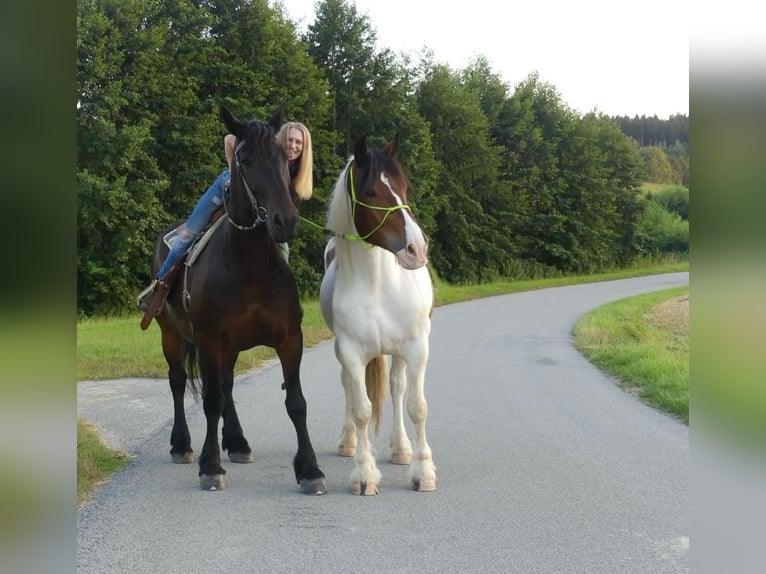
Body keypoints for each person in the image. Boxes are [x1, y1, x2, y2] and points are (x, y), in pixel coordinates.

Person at [137, 120, 314, 314]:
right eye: (290, 140)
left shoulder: (299, 173)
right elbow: (230, 139)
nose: (293, 145)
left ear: (305, 147)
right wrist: (234, 171)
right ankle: (158, 286)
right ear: (281, 139)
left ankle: (281, 298)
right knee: (188, 234)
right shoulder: (266, 152)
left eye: (299, 142)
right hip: (225, 191)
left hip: (259, 219)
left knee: (283, 249)